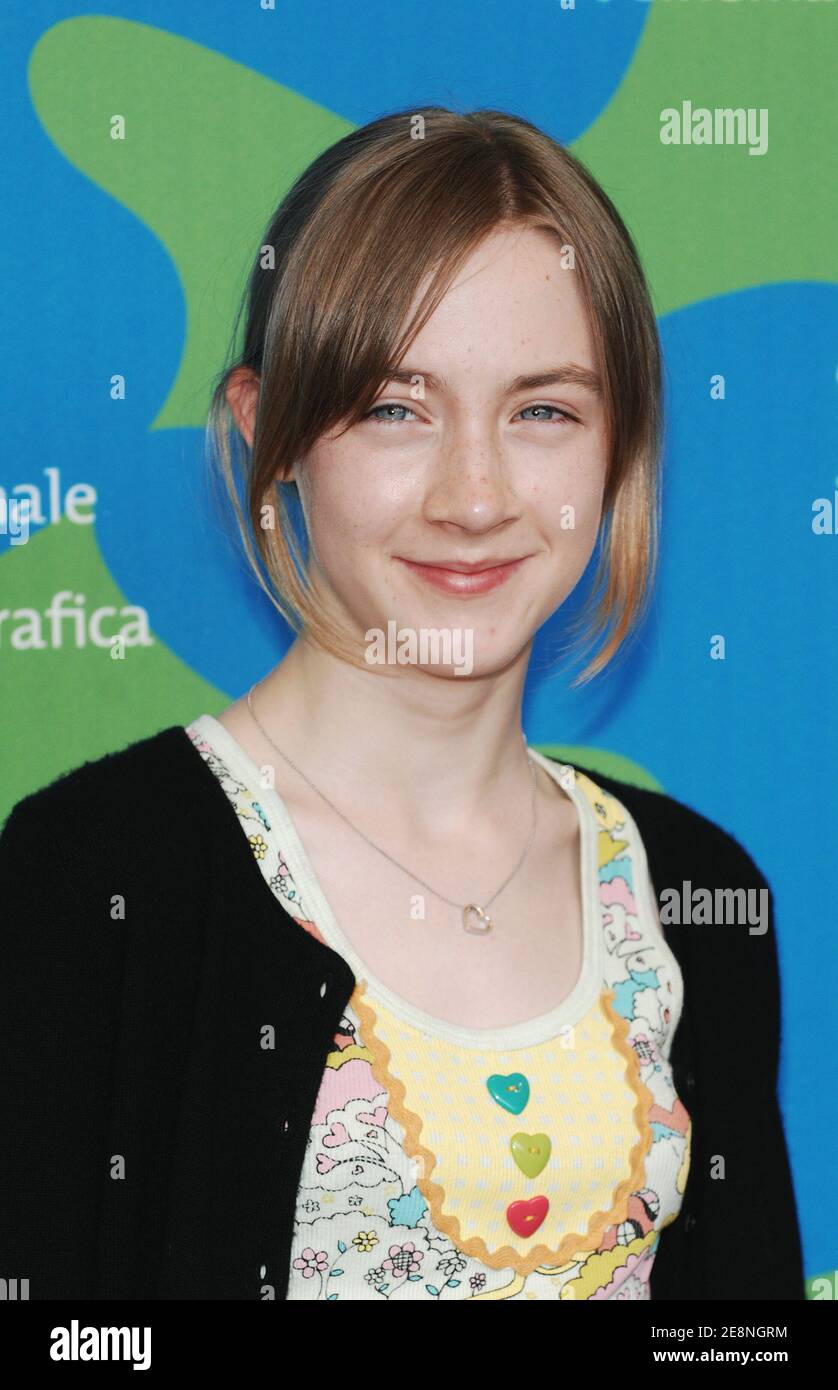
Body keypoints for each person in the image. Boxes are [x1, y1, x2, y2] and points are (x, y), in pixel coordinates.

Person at [0, 107, 804, 1301]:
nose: (474, 497)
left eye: (542, 411)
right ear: (268, 433)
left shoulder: (692, 893)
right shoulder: (94, 875)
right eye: (394, 407)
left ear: (618, 445)